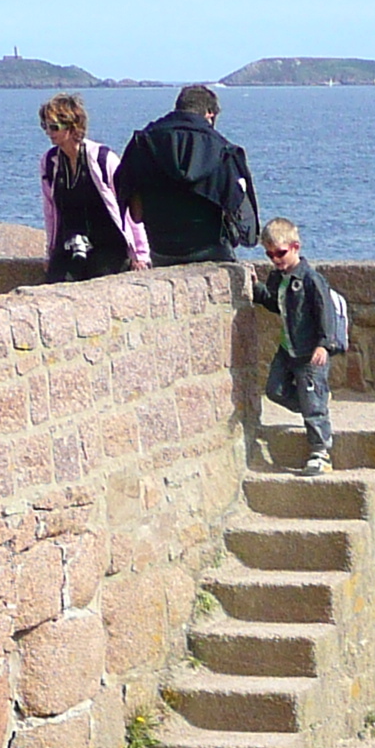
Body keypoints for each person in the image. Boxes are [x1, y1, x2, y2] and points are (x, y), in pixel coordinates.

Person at [114, 86, 258, 266]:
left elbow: (135, 214)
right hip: (212, 251)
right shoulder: (224, 152)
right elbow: (245, 228)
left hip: (161, 250)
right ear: (209, 114)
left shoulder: (142, 143)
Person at [250, 217, 347, 474]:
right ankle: (315, 401)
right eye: (270, 255)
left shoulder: (310, 279)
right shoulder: (278, 278)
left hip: (309, 352)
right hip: (288, 348)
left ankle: (320, 452)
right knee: (275, 390)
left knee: (313, 407)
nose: (276, 259)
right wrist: (257, 289)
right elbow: (275, 304)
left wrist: (324, 345)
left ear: (295, 247)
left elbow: (324, 312)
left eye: (280, 253)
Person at [38, 94, 146, 282]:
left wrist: (141, 254)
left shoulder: (103, 159)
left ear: (73, 127)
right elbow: (50, 211)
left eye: (54, 127)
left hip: (108, 246)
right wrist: (51, 251)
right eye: (45, 126)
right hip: (70, 245)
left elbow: (128, 205)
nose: (49, 132)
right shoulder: (49, 163)